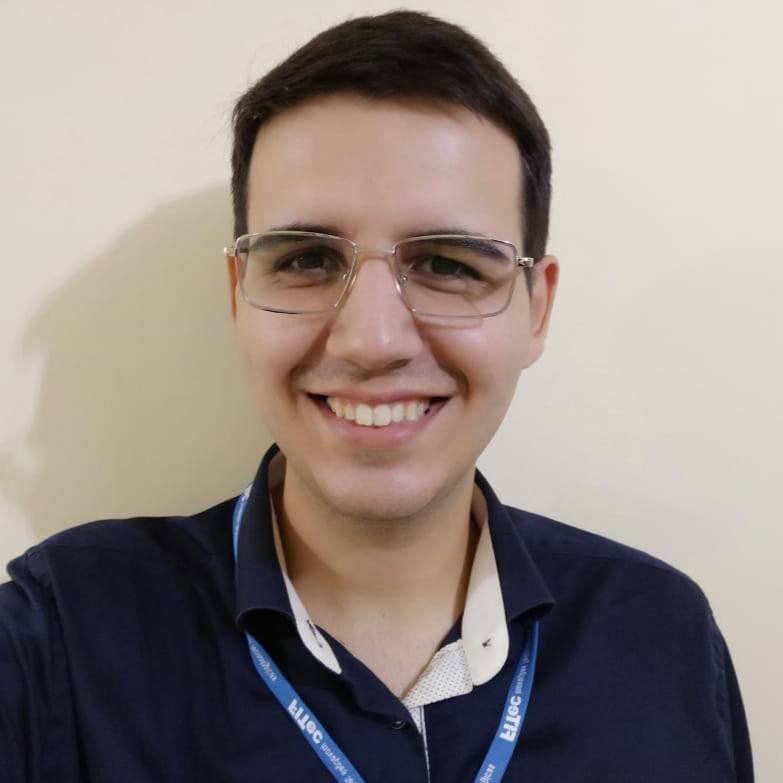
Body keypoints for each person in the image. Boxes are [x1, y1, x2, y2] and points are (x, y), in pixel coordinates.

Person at [0, 10, 753, 782]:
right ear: (238, 294)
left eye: (449, 264)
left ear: (536, 307)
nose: (370, 339)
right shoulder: (60, 640)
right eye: (305, 259)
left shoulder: (659, 637)